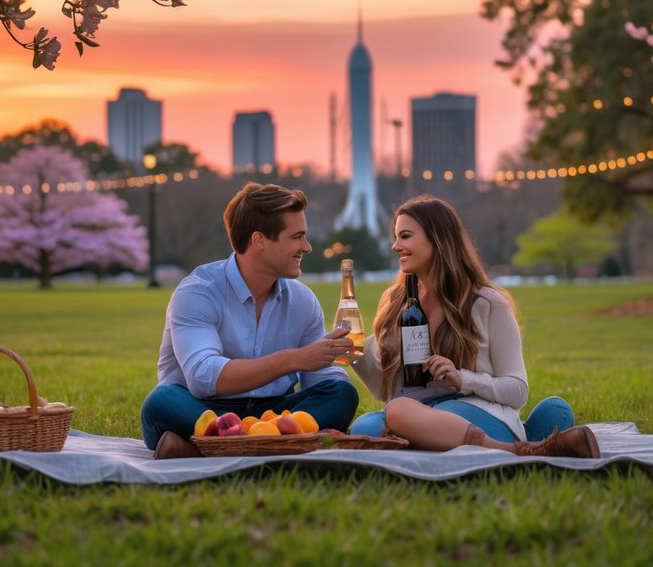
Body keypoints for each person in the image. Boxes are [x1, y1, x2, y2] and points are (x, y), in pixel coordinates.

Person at [348, 195, 600, 458]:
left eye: (406, 236)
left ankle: (514, 448)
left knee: (398, 413)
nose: (395, 246)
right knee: (366, 427)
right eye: (396, 237)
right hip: (413, 412)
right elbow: (387, 390)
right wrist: (351, 353)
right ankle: (533, 445)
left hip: (472, 409)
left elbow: (517, 390)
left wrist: (462, 379)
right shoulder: (396, 302)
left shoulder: (487, 304)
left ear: (438, 239)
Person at [141, 183, 359, 459]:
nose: (307, 246)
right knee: (162, 403)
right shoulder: (197, 292)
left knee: (342, 393)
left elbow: (324, 380)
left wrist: (333, 361)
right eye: (297, 237)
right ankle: (280, 441)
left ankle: (216, 444)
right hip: (205, 407)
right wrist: (294, 359)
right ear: (259, 241)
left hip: (276, 413)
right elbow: (203, 378)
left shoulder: (302, 300)